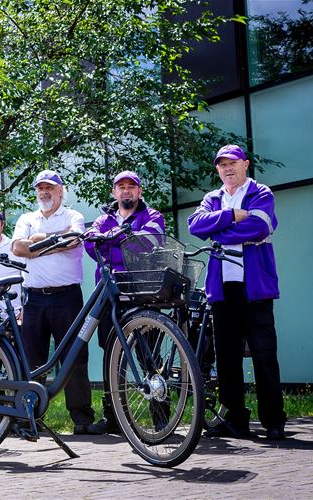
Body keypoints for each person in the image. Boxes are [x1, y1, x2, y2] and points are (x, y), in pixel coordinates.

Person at [188, 144, 286, 440]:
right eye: (221, 165)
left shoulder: (261, 193)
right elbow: (194, 225)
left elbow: (259, 227)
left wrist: (216, 229)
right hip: (221, 290)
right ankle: (236, 420)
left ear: (245, 164)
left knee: (263, 354)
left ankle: (273, 421)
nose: (227, 169)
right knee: (227, 358)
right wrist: (231, 215)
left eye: (232, 163)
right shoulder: (212, 198)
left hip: (255, 289)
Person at [11, 169, 103, 435]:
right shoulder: (27, 218)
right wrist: (54, 240)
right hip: (34, 298)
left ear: (61, 191)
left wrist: (37, 242)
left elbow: (74, 240)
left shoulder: (74, 216)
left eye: (50, 187)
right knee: (31, 359)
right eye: (40, 188)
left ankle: (82, 420)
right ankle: (30, 417)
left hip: (67, 297)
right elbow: (18, 248)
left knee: (74, 357)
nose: (44, 192)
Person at [83, 170, 165, 433]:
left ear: (139, 192)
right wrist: (125, 237)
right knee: (112, 357)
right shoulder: (102, 219)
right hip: (109, 294)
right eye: (121, 187)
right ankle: (114, 419)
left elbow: (147, 244)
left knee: (149, 358)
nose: (126, 191)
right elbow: (91, 245)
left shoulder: (153, 216)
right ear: (114, 192)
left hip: (142, 293)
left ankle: (161, 418)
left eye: (132, 186)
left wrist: (111, 242)